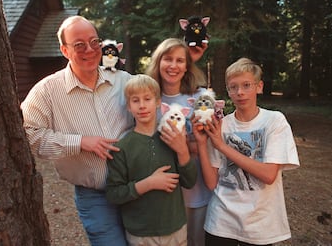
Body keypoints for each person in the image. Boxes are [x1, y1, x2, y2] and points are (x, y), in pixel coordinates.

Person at [20, 16, 134, 246]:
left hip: (136, 189)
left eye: (94, 42)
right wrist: (80, 142)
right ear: (64, 50)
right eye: (79, 45)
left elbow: (153, 115)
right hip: (95, 196)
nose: (90, 50)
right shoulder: (47, 91)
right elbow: (28, 135)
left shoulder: (125, 81)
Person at [192, 57, 300, 246]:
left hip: (260, 228)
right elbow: (211, 183)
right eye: (233, 87)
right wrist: (202, 143)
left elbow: (268, 175)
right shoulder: (221, 125)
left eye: (247, 85)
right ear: (228, 91)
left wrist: (222, 146)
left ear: (259, 87)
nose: (240, 92)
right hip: (220, 224)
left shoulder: (274, 121)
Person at [106, 74, 197, 246]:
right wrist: (148, 183)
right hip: (141, 235)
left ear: (158, 103)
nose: (142, 106)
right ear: (128, 106)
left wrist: (183, 150)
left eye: (147, 99)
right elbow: (113, 194)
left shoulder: (171, 138)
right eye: (135, 100)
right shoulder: (122, 147)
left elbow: (190, 181)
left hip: (175, 229)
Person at [145, 38, 212, 246]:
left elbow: (212, 144)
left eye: (180, 60)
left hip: (198, 190)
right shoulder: (147, 98)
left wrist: (187, 145)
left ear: (187, 66)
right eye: (168, 59)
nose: (173, 66)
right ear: (158, 62)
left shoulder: (202, 96)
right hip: (163, 194)